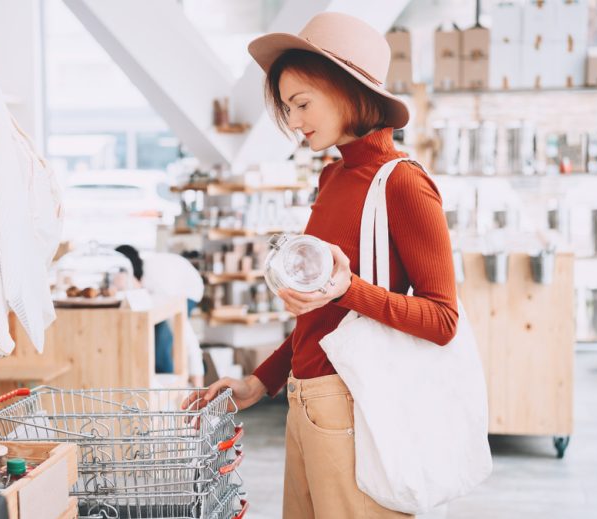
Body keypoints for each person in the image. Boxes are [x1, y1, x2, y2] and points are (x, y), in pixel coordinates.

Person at [183, 13, 458, 519]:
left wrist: (346, 288)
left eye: (302, 104)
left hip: (358, 407)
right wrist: (258, 382)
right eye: (287, 108)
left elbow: (443, 321)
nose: (293, 121)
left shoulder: (403, 184)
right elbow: (326, 317)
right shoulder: (333, 177)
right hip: (306, 402)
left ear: (348, 90)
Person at [114, 245, 205, 387]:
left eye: (123, 286)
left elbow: (188, 338)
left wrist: (200, 388)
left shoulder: (160, 285)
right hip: (164, 286)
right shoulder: (141, 281)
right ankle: (161, 386)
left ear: (130, 275)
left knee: (164, 338)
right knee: (153, 336)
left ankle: (176, 389)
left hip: (189, 289)